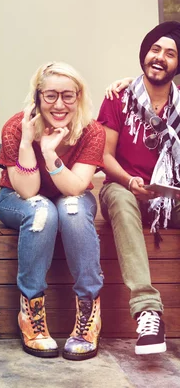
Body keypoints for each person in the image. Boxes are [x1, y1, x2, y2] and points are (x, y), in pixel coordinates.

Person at [0, 62, 105, 361]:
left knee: (70, 209)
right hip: (16, 198)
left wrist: (50, 153)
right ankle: (30, 313)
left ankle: (88, 312)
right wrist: (29, 142)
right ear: (37, 96)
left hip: (69, 194)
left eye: (68, 96)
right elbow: (28, 191)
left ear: (79, 97)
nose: (59, 104)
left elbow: (76, 187)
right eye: (51, 95)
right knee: (42, 211)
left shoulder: (92, 131)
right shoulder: (16, 126)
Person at [98, 21, 180, 356]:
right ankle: (147, 310)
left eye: (171, 53)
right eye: (155, 49)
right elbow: (104, 156)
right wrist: (130, 180)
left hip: (168, 198)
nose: (160, 58)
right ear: (144, 54)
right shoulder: (119, 98)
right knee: (118, 195)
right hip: (124, 188)